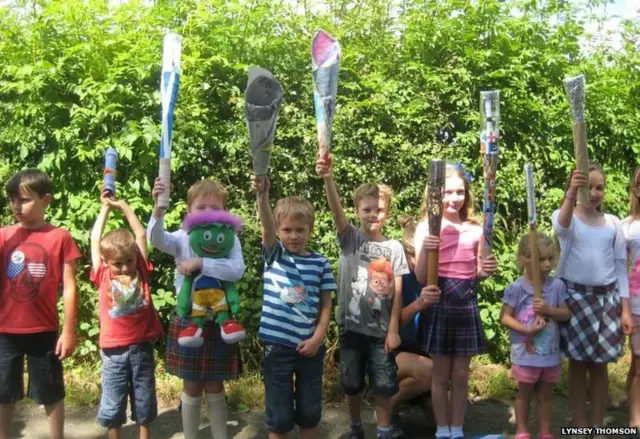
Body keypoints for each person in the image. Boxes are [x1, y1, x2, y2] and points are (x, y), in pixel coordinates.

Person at [316, 153, 409, 439]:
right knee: (351, 382)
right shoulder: (351, 239)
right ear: (357, 211)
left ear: (387, 213)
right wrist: (328, 178)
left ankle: (383, 429)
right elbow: (335, 209)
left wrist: (394, 328)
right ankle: (355, 427)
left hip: (382, 333)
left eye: (379, 210)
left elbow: (398, 292)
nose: (373, 215)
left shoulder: (394, 247)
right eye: (367, 209)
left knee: (384, 384)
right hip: (351, 328)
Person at [147, 177, 246, 439]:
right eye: (201, 207)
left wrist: (201, 263)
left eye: (215, 207)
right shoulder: (182, 237)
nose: (208, 213)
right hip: (189, 319)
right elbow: (156, 240)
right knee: (191, 385)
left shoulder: (230, 240)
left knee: (215, 385)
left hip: (220, 320)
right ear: (188, 211)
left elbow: (237, 271)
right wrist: (158, 208)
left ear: (225, 212)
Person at [413, 163, 497, 439]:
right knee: (440, 376)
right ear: (435, 195)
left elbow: (478, 273)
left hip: (465, 303)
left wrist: (486, 269)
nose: (454, 198)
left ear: (467, 194)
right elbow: (422, 275)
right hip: (439, 300)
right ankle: (442, 429)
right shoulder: (428, 226)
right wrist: (427, 248)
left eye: (459, 192)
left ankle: (457, 429)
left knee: (460, 375)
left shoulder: (476, 229)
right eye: (447, 192)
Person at [251, 175, 336, 439]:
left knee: (309, 412)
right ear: (278, 230)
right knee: (279, 415)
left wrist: (318, 337)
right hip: (277, 347)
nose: (294, 236)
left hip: (310, 347)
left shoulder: (320, 263)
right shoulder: (274, 255)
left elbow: (326, 305)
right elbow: (265, 226)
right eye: (287, 230)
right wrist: (262, 197)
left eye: (300, 230)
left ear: (310, 229)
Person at [0, 169, 82, 439]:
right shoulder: (4, 236)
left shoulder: (60, 237)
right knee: (3, 391)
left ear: (46, 200)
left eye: (23, 199)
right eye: (12, 199)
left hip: (44, 331)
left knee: (51, 390)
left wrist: (69, 331)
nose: (16, 206)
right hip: (4, 332)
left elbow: (69, 287)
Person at [552, 161, 633, 435]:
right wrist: (571, 194)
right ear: (576, 186)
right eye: (589, 186)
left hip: (608, 302)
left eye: (600, 187)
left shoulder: (613, 223)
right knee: (577, 365)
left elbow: (621, 267)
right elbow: (560, 228)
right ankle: (579, 423)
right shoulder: (568, 217)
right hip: (576, 300)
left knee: (600, 367)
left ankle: (597, 425)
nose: (595, 192)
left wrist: (625, 309)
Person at [90, 189, 164, 439]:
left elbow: (141, 234)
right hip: (113, 350)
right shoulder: (103, 274)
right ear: (106, 261)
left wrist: (123, 205)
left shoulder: (141, 269)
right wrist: (105, 208)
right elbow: (94, 239)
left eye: (129, 261)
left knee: (144, 395)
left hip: (141, 345)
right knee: (114, 398)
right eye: (118, 263)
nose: (124, 267)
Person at [500, 231, 570, 439]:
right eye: (541, 259)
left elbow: (565, 313)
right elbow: (505, 317)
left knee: (546, 396)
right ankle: (522, 430)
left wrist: (549, 310)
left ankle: (545, 432)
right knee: (525, 394)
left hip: (549, 354)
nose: (547, 264)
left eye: (550, 258)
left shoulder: (557, 286)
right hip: (526, 354)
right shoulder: (517, 288)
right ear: (524, 260)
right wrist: (527, 330)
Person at [390, 216, 436, 431]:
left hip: (421, 353)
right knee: (432, 373)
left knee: (444, 420)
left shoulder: (435, 274)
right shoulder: (396, 275)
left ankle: (404, 397)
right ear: (409, 253)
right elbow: (392, 324)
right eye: (422, 256)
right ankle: (385, 410)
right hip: (393, 349)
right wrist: (418, 304)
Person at [621, 164, 640, 428]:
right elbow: (618, 268)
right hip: (636, 306)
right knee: (638, 363)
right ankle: (635, 424)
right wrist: (623, 308)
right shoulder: (627, 227)